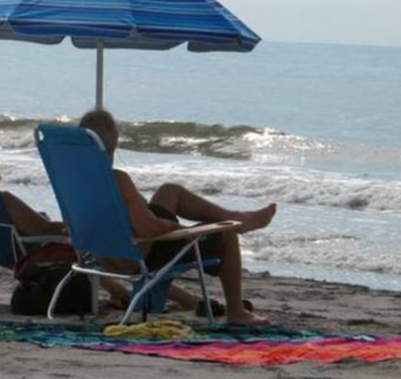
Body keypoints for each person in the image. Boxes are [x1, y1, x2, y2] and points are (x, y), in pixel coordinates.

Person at [79, 108, 276, 325]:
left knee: (169, 192)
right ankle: (237, 311)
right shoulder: (116, 180)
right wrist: (178, 228)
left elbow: (76, 230)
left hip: (101, 254)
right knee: (226, 234)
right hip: (141, 254)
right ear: (113, 146)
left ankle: (238, 217)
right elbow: (149, 230)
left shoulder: (72, 181)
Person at [0, 141, 203, 310]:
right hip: (34, 252)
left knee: (91, 242)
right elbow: (42, 229)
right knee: (92, 240)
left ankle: (126, 294)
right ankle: (183, 299)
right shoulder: (4, 199)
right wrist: (71, 224)